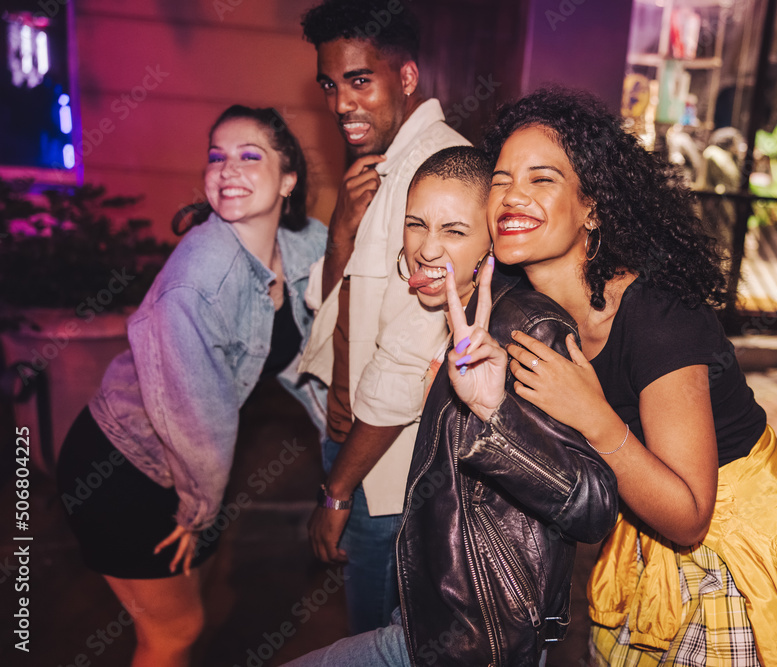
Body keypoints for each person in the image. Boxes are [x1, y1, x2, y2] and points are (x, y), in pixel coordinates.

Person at [483, 88, 777, 666]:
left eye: (541, 179)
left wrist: (593, 417)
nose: (512, 197)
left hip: (735, 548)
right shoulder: (527, 313)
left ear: (594, 208)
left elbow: (688, 515)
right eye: (501, 180)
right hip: (644, 527)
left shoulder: (658, 315)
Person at [283, 147, 618, 667]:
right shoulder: (447, 315)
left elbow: (593, 506)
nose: (426, 248)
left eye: (454, 231)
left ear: (492, 239)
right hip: (432, 620)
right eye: (416, 224)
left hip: (483, 638)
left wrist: (495, 413)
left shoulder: (529, 330)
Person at [55, 105, 327, 666]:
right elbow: (195, 418)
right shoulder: (198, 281)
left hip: (193, 469)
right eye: (216, 157)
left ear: (288, 180)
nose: (228, 169)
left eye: (250, 156)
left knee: (189, 607)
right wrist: (198, 511)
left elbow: (347, 271)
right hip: (126, 468)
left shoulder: (299, 243)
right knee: (175, 631)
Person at [297, 0, 470, 634]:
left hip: (386, 466)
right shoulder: (380, 168)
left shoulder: (439, 175)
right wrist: (341, 234)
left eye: (359, 81)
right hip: (350, 440)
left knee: (381, 641)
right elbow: (332, 310)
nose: (341, 103)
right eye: (330, 85)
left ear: (406, 77)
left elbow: (409, 360)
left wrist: (337, 490)